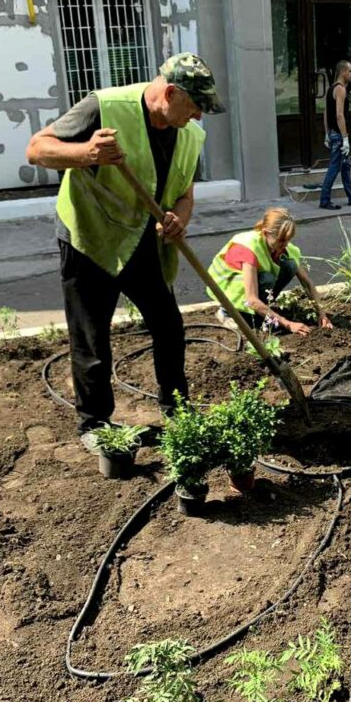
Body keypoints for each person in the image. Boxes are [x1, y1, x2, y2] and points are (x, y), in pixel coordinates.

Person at [25, 52, 224, 447]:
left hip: (142, 239)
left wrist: (179, 217)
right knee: (91, 336)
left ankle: (177, 409)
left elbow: (185, 193)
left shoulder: (189, 134)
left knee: (169, 325)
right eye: (195, 106)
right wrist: (87, 155)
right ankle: (94, 423)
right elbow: (37, 149)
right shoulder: (105, 107)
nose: (199, 117)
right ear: (170, 93)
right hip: (90, 236)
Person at [208, 207, 333, 336]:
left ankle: (261, 312)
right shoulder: (249, 248)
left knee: (290, 265)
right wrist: (287, 323)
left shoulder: (284, 248)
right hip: (226, 287)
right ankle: (226, 312)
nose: (285, 244)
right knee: (267, 279)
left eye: (288, 239)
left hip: (252, 287)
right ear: (265, 233)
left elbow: (307, 283)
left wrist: (321, 313)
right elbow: (251, 300)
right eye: (281, 240)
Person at [318, 60, 351, 211]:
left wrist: (327, 133)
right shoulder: (341, 89)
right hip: (339, 136)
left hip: (333, 133)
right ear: (343, 72)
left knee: (346, 166)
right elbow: (339, 115)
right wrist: (345, 138)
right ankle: (324, 200)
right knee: (334, 167)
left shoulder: (331, 88)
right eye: (350, 71)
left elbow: (326, 113)